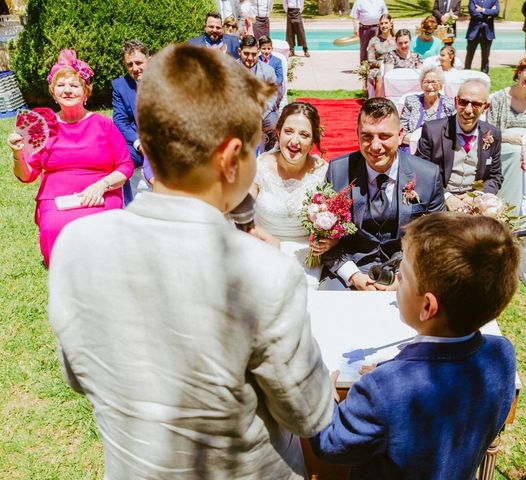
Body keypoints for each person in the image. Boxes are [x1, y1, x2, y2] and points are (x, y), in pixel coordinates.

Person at [48, 43, 334, 479]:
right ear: (230, 158)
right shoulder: (265, 274)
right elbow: (309, 416)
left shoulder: (75, 246)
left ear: (145, 142)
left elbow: (78, 374)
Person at [311, 213, 520, 480]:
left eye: (404, 274)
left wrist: (324, 397)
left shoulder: (382, 389)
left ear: (428, 307)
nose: (396, 277)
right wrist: (394, 370)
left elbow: (331, 445)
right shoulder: (501, 353)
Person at [7, 49, 133, 267]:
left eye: (74, 86)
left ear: (85, 93)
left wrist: (101, 185)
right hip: (56, 197)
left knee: (102, 225)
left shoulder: (104, 125)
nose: (67, 91)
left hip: (100, 193)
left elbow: (125, 165)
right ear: (53, 93)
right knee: (54, 225)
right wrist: (18, 154)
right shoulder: (41, 127)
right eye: (61, 86)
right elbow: (27, 176)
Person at [318, 97, 445, 291]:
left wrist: (401, 278)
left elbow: (437, 240)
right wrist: (355, 277)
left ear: (400, 134)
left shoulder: (428, 175)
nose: (375, 146)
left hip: (406, 270)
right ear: (357, 134)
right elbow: (325, 238)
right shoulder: (339, 170)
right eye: (367, 136)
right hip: (351, 267)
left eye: (384, 136)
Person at [252, 102, 328, 288]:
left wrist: (329, 242)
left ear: (313, 140)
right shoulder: (259, 167)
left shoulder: (324, 172)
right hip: (262, 248)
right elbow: (241, 213)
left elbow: (337, 223)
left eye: (304, 135)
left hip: (306, 255)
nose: (295, 141)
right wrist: (266, 239)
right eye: (289, 131)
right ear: (278, 132)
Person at [416, 79, 503, 211]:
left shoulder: (493, 134)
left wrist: (476, 195)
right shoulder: (432, 130)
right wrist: (446, 197)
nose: (468, 110)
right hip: (439, 200)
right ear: (456, 102)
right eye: (463, 102)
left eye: (476, 105)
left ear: (486, 107)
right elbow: (420, 172)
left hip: (475, 200)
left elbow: (495, 176)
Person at [487, 55, 526, 212]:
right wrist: (512, 139)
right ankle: (506, 207)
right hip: (502, 145)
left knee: (525, 154)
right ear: (519, 72)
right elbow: (490, 132)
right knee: (516, 153)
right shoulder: (499, 98)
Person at [112, 39, 151, 205]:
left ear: (148, 59)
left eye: (138, 62)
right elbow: (120, 120)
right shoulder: (120, 85)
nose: (134, 68)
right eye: (129, 64)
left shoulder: (165, 79)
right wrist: (139, 143)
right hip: (136, 143)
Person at [238, 35, 280, 151]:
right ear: (239, 51)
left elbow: (272, 97)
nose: (250, 58)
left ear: (258, 52)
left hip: (263, 113)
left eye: (254, 54)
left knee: (274, 122)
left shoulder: (268, 71)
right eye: (246, 54)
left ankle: (269, 153)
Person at [399, 66, 455, 149]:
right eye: (426, 82)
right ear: (421, 84)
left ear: (440, 85)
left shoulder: (449, 103)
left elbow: (453, 131)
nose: (429, 86)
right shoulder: (411, 101)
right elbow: (402, 130)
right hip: (411, 147)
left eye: (434, 82)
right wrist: (416, 140)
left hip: (439, 149)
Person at [465, 0, 500, 73]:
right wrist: (489, 13)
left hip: (487, 33)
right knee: (469, 56)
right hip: (474, 32)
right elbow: (473, 13)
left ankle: (484, 75)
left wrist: (482, 10)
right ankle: (466, 74)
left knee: (485, 57)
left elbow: (496, 12)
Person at [367, 14, 396, 97]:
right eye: (381, 23)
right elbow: (370, 59)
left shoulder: (397, 40)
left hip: (394, 66)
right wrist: (382, 65)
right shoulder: (374, 40)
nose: (384, 25)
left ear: (391, 24)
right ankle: (377, 101)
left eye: (386, 23)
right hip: (378, 67)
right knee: (380, 75)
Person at [258, 35, 284, 101]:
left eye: (269, 49)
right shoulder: (257, 60)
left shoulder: (277, 61)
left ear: (272, 48)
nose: (266, 51)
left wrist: (271, 85)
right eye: (264, 49)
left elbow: (280, 77)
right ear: (259, 49)